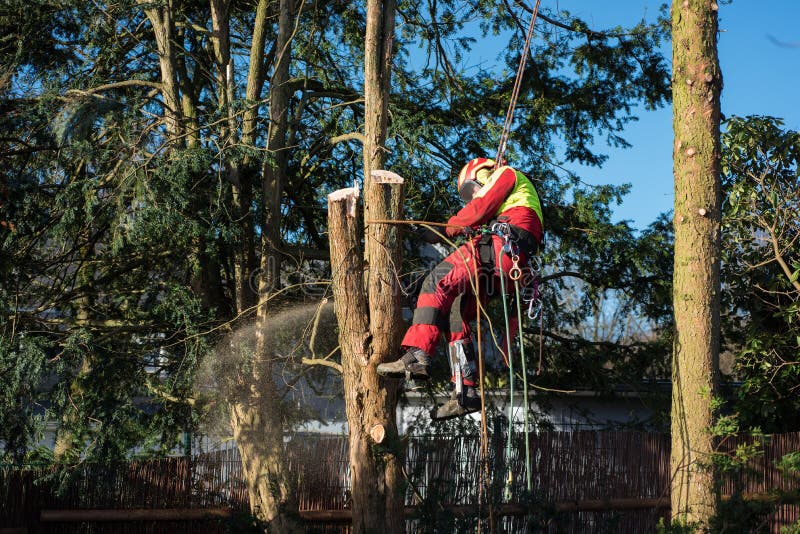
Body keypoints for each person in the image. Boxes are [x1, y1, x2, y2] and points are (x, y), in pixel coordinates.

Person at [377, 157, 544, 419]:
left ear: (482, 173)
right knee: (456, 312)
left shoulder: (506, 174)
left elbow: (479, 209)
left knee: (436, 282)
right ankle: (466, 392)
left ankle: (417, 354)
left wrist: (445, 228)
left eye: (470, 189)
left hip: (501, 250)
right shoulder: (512, 200)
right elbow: (479, 213)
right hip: (507, 263)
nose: (472, 196)